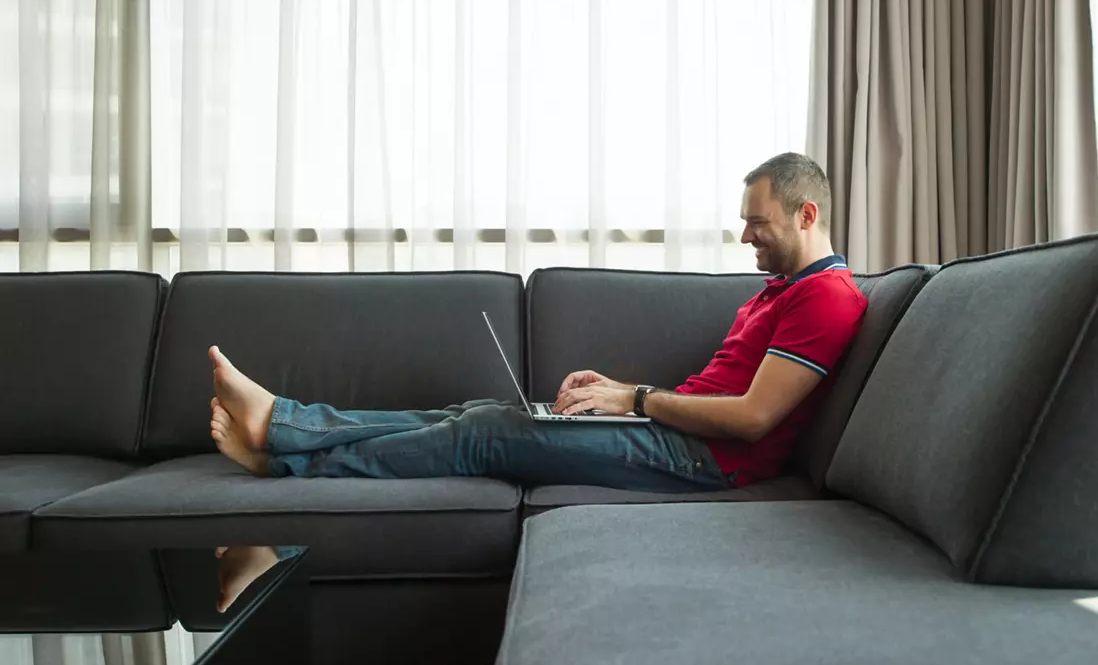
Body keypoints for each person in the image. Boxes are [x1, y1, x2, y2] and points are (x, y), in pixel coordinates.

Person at [208, 153, 868, 494]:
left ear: (806, 216)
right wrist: (621, 395)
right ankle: (284, 427)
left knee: (487, 434)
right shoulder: (780, 291)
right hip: (677, 435)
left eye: (759, 220)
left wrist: (635, 400)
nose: (745, 233)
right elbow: (718, 392)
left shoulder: (827, 297)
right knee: (476, 409)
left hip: (707, 464)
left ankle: (284, 456)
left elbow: (754, 419)